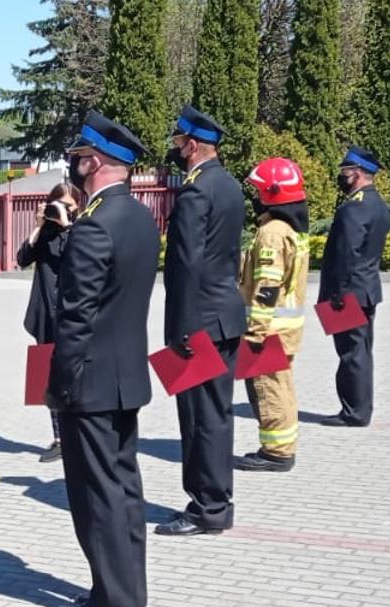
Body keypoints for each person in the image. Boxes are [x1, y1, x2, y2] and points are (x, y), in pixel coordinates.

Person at [46, 111, 159, 607]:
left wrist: (59, 386)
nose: (73, 164)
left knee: (97, 495)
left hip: (89, 383)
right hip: (126, 376)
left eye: (77, 157)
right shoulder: (138, 219)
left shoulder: (93, 229)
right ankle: (126, 587)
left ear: (93, 162)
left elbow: (75, 320)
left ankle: (114, 596)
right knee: (123, 487)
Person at [156, 104, 246, 538]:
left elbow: (185, 265)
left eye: (178, 144)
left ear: (192, 146)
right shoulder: (229, 185)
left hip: (200, 323)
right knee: (218, 415)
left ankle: (206, 507)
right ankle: (217, 500)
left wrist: (182, 330)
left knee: (199, 420)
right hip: (224, 315)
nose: (176, 151)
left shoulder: (195, 192)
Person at [236, 158, 311, 473]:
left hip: (269, 329)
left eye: (258, 189)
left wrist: (255, 331)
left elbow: (268, 285)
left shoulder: (272, 231)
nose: (254, 195)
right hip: (286, 327)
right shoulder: (291, 228)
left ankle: (276, 452)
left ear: (273, 192)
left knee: (269, 390)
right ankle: (282, 446)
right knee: (282, 387)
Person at [319, 146, 390, 428]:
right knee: (360, 351)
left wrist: (337, 296)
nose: (342, 176)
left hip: (348, 293)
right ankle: (359, 408)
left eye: (345, 171)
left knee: (351, 354)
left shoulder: (354, 207)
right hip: (365, 290)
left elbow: (346, 254)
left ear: (357, 173)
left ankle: (354, 412)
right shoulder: (377, 204)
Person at [19, 182, 78, 463]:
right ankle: (58, 437)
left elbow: (77, 258)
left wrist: (67, 225)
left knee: (71, 375)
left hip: (71, 316)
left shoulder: (80, 232)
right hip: (45, 316)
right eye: (57, 204)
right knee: (47, 378)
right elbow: (22, 258)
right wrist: (40, 225)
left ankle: (74, 434)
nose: (61, 210)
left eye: (66, 205)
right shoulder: (46, 233)